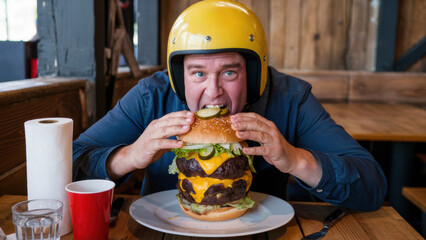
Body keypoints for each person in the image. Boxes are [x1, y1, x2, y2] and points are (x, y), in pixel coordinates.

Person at [73, 0, 387, 211]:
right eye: (198, 73)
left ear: (254, 73)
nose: (214, 92)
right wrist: (128, 156)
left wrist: (294, 159)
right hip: (162, 229)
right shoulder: (151, 96)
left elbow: (372, 185)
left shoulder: (291, 98)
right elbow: (71, 162)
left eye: (229, 72)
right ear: (179, 77)